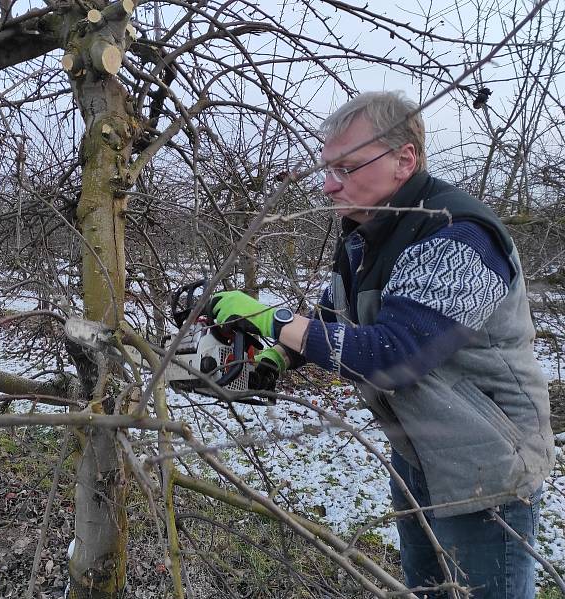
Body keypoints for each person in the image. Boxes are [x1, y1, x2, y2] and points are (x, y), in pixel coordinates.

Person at [209, 91, 555, 598]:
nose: (329, 185)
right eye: (327, 168)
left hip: (487, 467)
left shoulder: (456, 235)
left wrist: (271, 316)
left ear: (404, 159)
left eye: (346, 168)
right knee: (427, 589)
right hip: (418, 454)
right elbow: (335, 317)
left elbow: (394, 355)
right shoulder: (368, 230)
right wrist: (276, 354)